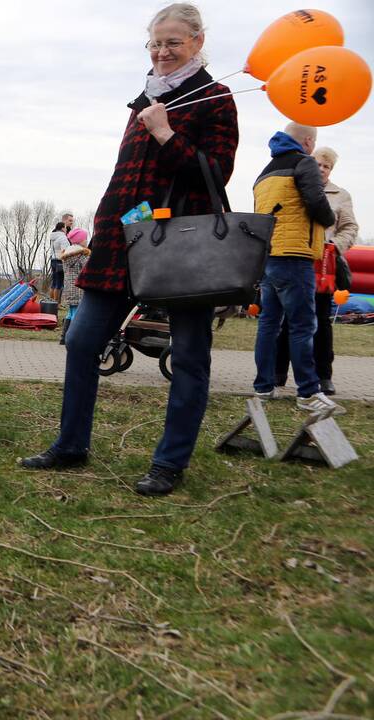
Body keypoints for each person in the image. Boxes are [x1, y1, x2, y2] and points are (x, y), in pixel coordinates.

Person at [21, 3, 239, 497]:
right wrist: (103, 227)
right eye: (155, 43)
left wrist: (165, 134)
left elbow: (215, 173)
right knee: (81, 342)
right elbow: (127, 178)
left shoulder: (218, 99)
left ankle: (169, 462)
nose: (162, 52)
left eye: (173, 43)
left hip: (182, 246)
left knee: (188, 355)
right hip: (123, 239)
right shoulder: (142, 99)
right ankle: (71, 444)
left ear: (198, 43)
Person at [252, 123, 341, 416]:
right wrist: (328, 219)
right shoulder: (304, 163)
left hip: (269, 256)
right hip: (296, 255)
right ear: (307, 141)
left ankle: (263, 387)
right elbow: (316, 202)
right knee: (303, 325)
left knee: (268, 324)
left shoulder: (265, 172)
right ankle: (308, 392)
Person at [273, 146, 359, 396]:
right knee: (289, 318)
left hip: (324, 266)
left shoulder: (341, 195)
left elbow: (350, 228)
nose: (321, 169)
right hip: (295, 258)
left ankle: (324, 376)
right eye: (318, 164)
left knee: (321, 321)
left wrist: (335, 247)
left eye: (326, 166)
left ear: (331, 170)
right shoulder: (295, 186)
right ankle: (279, 371)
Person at [59, 227, 90, 344]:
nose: (86, 241)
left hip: (68, 288)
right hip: (78, 289)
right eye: (85, 239)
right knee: (76, 314)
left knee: (71, 312)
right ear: (80, 241)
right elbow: (88, 270)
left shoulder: (66, 255)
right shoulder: (82, 255)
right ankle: (73, 339)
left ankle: (63, 337)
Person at [49, 211, 74, 302]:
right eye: (65, 228)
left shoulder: (53, 235)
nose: (67, 229)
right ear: (63, 228)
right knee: (59, 283)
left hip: (53, 260)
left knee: (54, 282)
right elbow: (65, 251)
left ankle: (51, 301)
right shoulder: (63, 237)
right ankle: (56, 303)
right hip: (60, 261)